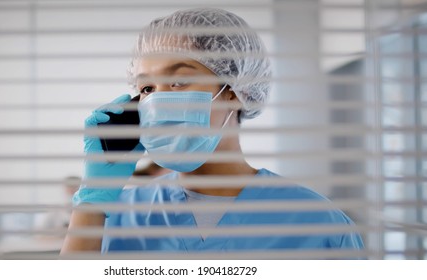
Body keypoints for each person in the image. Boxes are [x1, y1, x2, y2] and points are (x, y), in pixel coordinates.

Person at [61, 8, 364, 255]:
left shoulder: (318, 225)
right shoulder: (116, 216)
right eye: (146, 88)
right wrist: (92, 199)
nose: (155, 100)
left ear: (233, 90)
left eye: (179, 82)